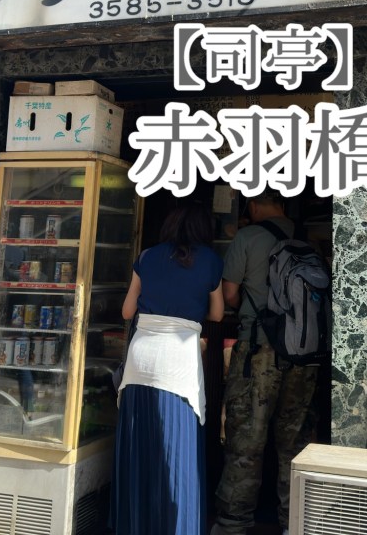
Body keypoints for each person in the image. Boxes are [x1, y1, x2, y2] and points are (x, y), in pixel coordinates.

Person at [111, 201, 225, 535]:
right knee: (177, 450)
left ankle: (134, 525)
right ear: (204, 230)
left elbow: (127, 311)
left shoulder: (147, 257)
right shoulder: (211, 260)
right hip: (179, 361)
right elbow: (217, 315)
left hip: (141, 359)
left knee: (138, 445)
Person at [211, 189, 318, 535]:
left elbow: (229, 294)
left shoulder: (248, 236)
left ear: (254, 205)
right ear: (283, 204)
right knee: (295, 443)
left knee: (246, 439)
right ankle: (295, 523)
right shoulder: (308, 238)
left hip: (258, 349)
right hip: (304, 353)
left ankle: (233, 523)